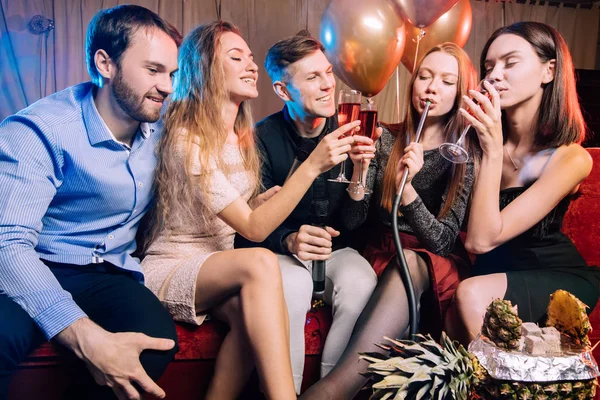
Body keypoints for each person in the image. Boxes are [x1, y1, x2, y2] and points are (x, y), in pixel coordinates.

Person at [141, 21, 357, 400]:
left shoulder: (240, 135)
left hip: (219, 262)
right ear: (206, 68)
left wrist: (254, 204)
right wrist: (312, 166)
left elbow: (236, 214)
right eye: (236, 57)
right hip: (174, 263)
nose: (252, 65)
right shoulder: (184, 136)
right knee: (261, 263)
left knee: (250, 317)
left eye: (251, 58)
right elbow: (254, 231)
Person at [0, 5, 181, 400]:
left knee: (154, 340)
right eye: (153, 70)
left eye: (172, 74)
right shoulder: (38, 129)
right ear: (105, 63)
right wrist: (84, 336)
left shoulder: (162, 129)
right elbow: (8, 243)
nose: (167, 86)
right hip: (31, 262)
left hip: (105, 270)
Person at [300, 42, 478, 399]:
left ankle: (335, 388)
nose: (430, 87)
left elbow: (442, 242)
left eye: (446, 81)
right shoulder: (387, 138)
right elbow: (353, 222)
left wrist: (407, 191)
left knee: (411, 261)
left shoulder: (463, 156)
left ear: (461, 92)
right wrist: (361, 173)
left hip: (429, 265)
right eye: (424, 77)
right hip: (379, 255)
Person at [234, 31, 379, 394]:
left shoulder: (352, 125)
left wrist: (360, 173)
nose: (328, 84)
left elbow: (352, 224)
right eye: (313, 77)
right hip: (281, 254)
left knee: (362, 280)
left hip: (335, 250)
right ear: (284, 91)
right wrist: (288, 239)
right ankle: (289, 391)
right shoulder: (259, 139)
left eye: (328, 73)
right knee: (293, 285)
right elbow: (246, 223)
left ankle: (331, 390)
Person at [447, 21, 600, 344]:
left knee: (470, 295)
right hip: (492, 275)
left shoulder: (571, 158)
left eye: (510, 62)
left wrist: (491, 149)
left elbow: (481, 241)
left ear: (549, 71)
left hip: (556, 278)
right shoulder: (473, 144)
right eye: (489, 66)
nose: (494, 75)